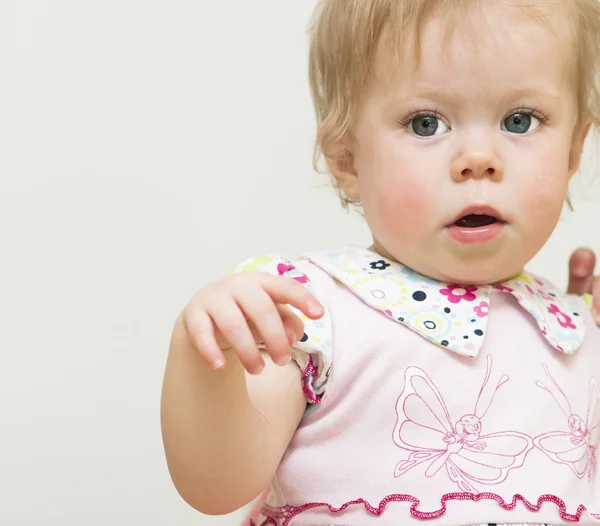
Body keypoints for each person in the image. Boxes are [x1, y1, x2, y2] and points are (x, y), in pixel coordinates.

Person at [161, 1, 600, 525]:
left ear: (574, 149)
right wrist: (205, 360)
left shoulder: (574, 329)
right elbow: (217, 484)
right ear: (347, 159)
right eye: (425, 123)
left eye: (519, 120)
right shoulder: (310, 310)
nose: (479, 158)